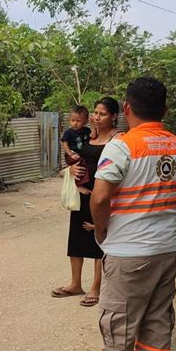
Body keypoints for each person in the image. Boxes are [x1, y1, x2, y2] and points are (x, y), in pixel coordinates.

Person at [84, 77, 176, 351]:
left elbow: (100, 197)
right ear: (164, 109)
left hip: (129, 252)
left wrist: (102, 232)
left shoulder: (122, 146)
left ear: (127, 109)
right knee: (158, 317)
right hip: (166, 249)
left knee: (119, 321)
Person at [52, 97, 120, 307]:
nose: (97, 117)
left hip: (100, 196)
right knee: (77, 237)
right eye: (95, 113)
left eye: (102, 114)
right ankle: (75, 283)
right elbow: (74, 157)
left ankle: (96, 287)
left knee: (98, 239)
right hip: (81, 195)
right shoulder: (87, 136)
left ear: (114, 116)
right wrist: (70, 170)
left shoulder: (117, 138)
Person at [61, 104, 95, 188]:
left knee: (85, 167)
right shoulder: (68, 132)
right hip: (72, 154)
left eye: (78, 121)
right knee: (81, 167)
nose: (75, 123)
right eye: (72, 120)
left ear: (85, 121)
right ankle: (79, 186)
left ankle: (82, 184)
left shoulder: (87, 131)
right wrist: (71, 154)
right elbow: (64, 144)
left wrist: (93, 125)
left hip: (80, 155)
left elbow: (93, 136)